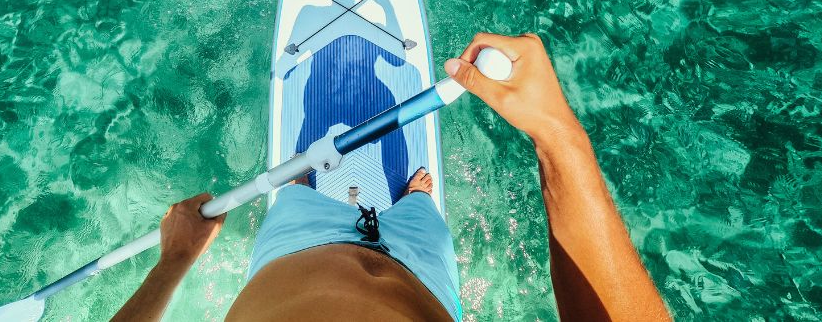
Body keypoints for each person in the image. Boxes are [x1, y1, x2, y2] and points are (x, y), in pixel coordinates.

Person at [112, 33, 671, 321]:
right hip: (423, 274)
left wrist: (174, 262)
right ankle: (411, 200)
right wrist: (558, 136)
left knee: (295, 194)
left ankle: (306, 188)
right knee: (420, 206)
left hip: (294, 250)